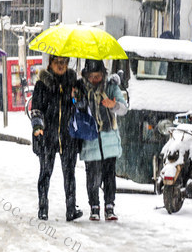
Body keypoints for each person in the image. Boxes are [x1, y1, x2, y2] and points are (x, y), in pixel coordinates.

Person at [30, 55, 84, 221]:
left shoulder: (72, 83)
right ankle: (43, 208)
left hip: (68, 137)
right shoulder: (42, 84)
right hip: (47, 136)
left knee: (69, 174)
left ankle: (71, 209)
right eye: (57, 62)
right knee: (45, 173)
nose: (61, 65)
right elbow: (36, 109)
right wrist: (38, 127)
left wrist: (77, 96)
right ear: (50, 63)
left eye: (64, 62)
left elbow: (80, 106)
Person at [79, 59, 127, 221]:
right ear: (86, 75)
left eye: (98, 76)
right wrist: (76, 100)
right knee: (92, 175)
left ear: (103, 74)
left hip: (108, 139)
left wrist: (113, 105)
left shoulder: (111, 87)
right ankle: (94, 206)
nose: (94, 79)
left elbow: (124, 108)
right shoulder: (81, 88)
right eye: (91, 76)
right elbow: (75, 106)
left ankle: (109, 206)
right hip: (90, 138)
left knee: (109, 174)